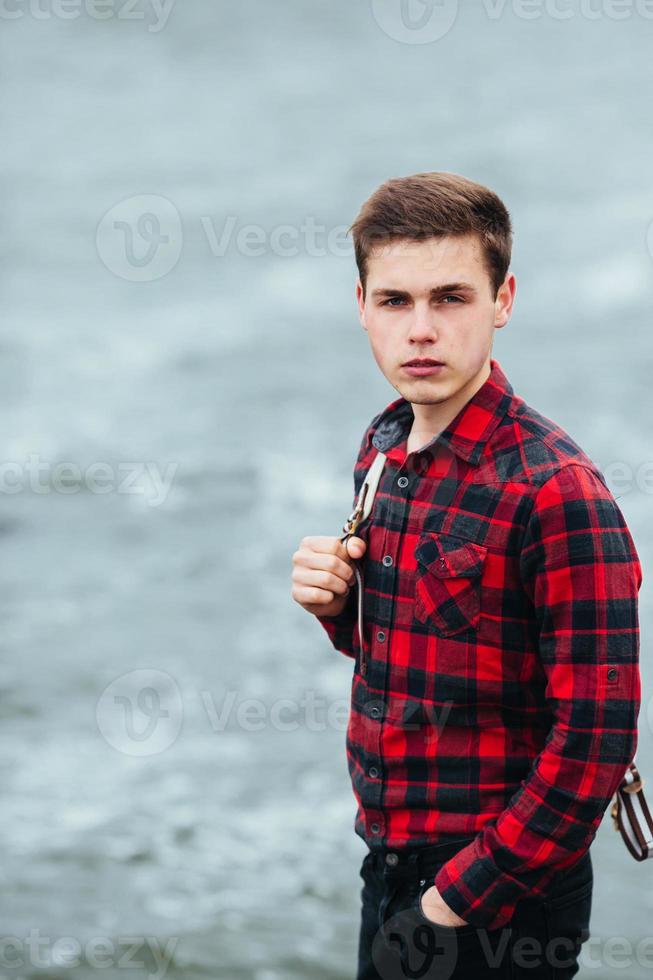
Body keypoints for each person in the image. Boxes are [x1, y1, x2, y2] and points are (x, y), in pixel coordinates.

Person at [291, 172, 642, 979]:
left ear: (502, 299)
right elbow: (427, 652)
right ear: (360, 307)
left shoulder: (557, 492)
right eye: (394, 302)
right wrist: (336, 607)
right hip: (388, 861)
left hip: (500, 892)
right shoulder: (383, 446)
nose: (420, 330)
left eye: (449, 298)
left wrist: (453, 901)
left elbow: (594, 742)